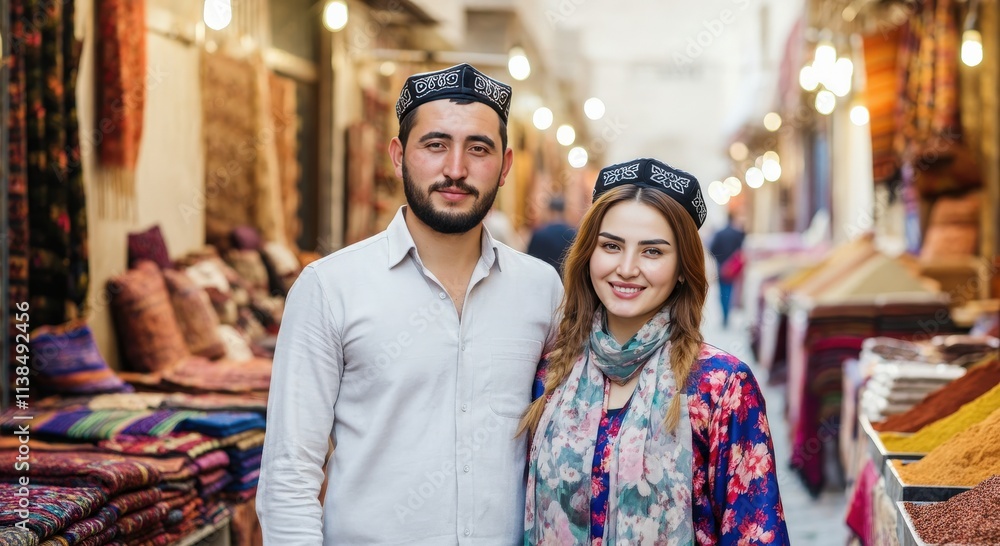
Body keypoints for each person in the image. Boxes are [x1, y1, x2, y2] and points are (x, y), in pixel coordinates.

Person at [257, 63, 564, 544]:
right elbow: (289, 472)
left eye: (478, 149)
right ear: (399, 156)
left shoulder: (541, 289)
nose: (455, 169)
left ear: (505, 166)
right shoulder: (330, 288)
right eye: (435, 145)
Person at [520, 158, 789, 545]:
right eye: (611, 246)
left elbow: (754, 533)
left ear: (682, 267)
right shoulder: (550, 375)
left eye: (652, 252)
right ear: (589, 254)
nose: (627, 268)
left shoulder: (721, 387)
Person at [709, 212, 746, 328]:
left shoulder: (719, 233)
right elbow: (741, 249)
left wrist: (720, 260)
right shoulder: (737, 234)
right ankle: (727, 314)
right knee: (730, 291)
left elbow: (712, 249)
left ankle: (725, 314)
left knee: (722, 292)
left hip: (722, 267)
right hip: (733, 267)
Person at [526, 194, 577, 277]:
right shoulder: (574, 234)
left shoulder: (540, 234)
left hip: (543, 278)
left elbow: (529, 260)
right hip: (567, 280)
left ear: (550, 211)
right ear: (564, 210)